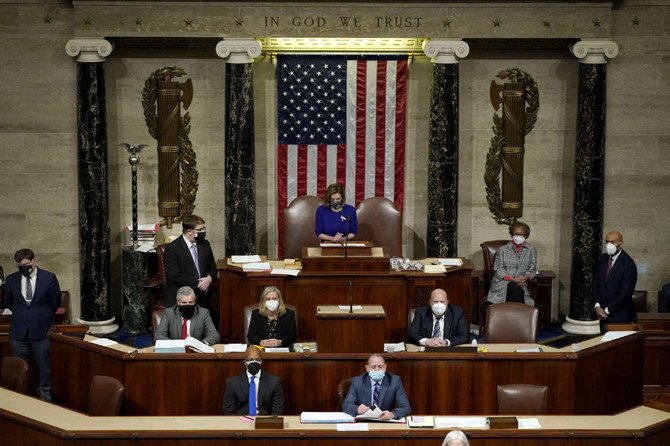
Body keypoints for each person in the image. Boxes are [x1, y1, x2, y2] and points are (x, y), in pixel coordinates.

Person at [4, 249, 61, 400]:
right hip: (19, 331)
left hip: (42, 330)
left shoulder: (48, 278)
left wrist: (39, 315)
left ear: (34, 261)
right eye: (19, 266)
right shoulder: (11, 279)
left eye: (26, 264)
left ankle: (46, 400)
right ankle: (23, 400)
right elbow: (8, 302)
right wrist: (23, 314)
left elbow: (55, 302)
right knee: (20, 369)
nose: (23, 268)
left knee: (45, 369)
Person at [164, 214, 217, 308]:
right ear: (189, 231)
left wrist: (209, 279)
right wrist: (199, 284)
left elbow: (212, 265)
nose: (203, 232)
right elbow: (175, 276)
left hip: (204, 294)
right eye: (200, 230)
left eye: (204, 228)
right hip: (182, 295)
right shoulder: (172, 249)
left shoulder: (205, 244)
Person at [342, 353, 411, 420]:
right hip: (365, 421)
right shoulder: (357, 381)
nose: (377, 370)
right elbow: (346, 405)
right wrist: (357, 409)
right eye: (373, 367)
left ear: (385, 367)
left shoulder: (395, 381)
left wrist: (392, 414)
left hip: (385, 421)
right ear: (367, 368)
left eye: (380, 366)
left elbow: (405, 407)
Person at [223, 345, 285, 415]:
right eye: (250, 360)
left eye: (257, 360)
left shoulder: (274, 382)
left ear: (261, 362)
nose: (254, 362)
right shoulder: (233, 383)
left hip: (264, 422)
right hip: (241, 421)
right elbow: (228, 411)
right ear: (245, 363)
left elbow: (277, 411)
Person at [487, 221, 537, 305]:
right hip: (502, 284)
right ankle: (521, 315)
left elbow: (532, 269)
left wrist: (525, 278)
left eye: (521, 235)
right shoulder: (502, 249)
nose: (518, 237)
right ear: (511, 235)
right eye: (516, 234)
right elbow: (498, 268)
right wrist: (511, 279)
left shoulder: (531, 249)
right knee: (515, 288)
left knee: (517, 289)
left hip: (521, 283)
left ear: (526, 235)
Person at [594, 230, 638, 325]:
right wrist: (597, 306)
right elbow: (596, 284)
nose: (608, 245)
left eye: (612, 242)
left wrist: (606, 310)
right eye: (607, 242)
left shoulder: (628, 265)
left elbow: (625, 294)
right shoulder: (603, 259)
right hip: (600, 314)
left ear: (620, 244)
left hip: (619, 316)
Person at [155, 286, 220, 345]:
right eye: (184, 303)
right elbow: (159, 335)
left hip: (196, 352)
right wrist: (174, 345)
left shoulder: (203, 313)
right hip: (176, 352)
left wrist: (202, 344)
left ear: (195, 301)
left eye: (191, 302)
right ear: (178, 302)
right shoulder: (170, 313)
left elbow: (214, 335)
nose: (187, 305)